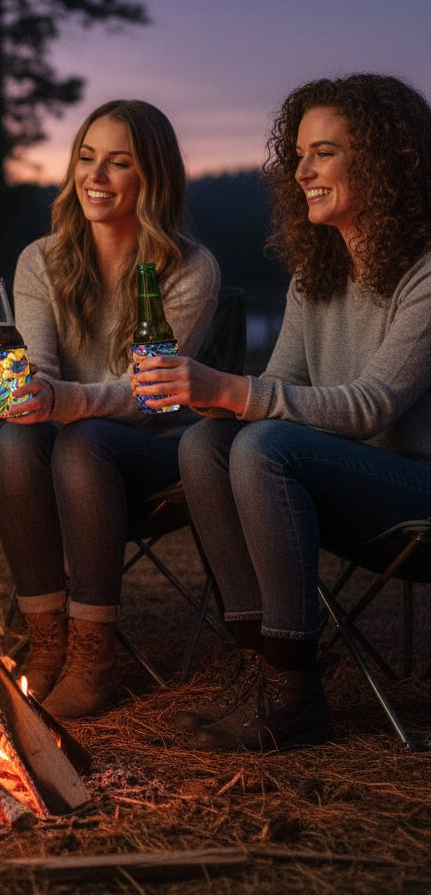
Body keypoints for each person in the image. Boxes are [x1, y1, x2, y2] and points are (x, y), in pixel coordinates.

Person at [134, 73, 431, 751]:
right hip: (350, 479)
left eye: (323, 152)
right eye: (297, 153)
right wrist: (215, 399)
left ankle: (295, 692)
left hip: (415, 490)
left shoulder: (425, 274)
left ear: (387, 161)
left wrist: (232, 389)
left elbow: (373, 405)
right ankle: (258, 669)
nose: (300, 171)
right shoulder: (315, 276)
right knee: (205, 444)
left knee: (262, 443)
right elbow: (284, 387)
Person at [0, 99, 220, 719]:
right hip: (63, 437)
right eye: (86, 159)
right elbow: (43, 378)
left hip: (155, 451)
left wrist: (66, 401)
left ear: (152, 179)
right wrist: (23, 391)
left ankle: (93, 655)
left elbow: (151, 394)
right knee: (10, 441)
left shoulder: (188, 268)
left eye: (118, 163)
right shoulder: (43, 260)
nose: (95, 177)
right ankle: (47, 641)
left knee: (85, 441)